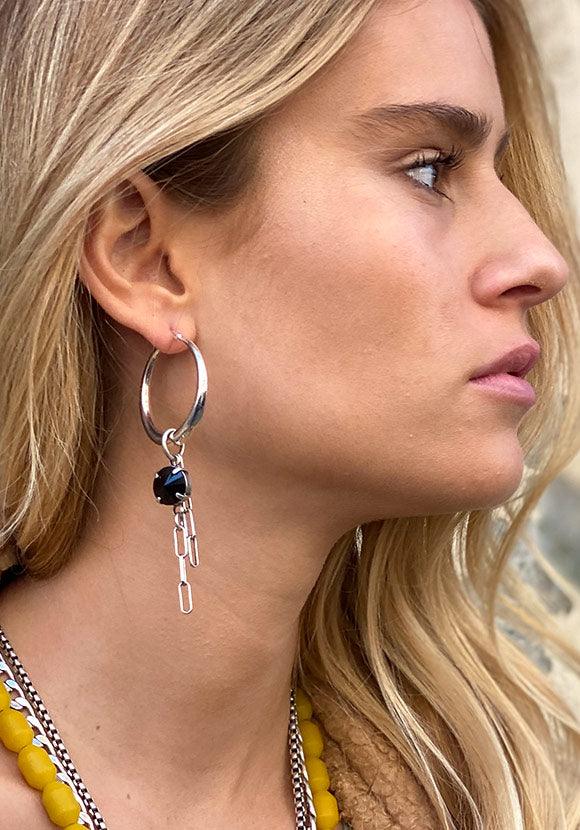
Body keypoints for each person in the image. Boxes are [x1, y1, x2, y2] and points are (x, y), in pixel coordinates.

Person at [0, 0, 579, 827]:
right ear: (146, 258)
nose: (540, 259)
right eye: (429, 169)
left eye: (504, 174)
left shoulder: (477, 796)